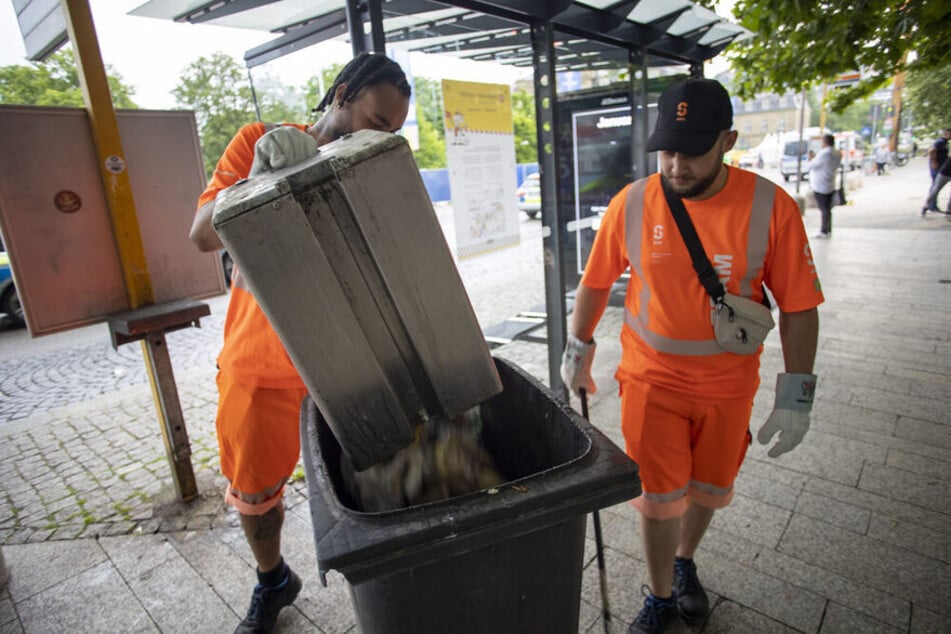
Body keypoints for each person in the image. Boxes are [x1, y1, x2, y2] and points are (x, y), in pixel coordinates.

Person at [560, 78, 822, 634]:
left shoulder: (770, 207)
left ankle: (685, 562)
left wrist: (797, 394)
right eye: (667, 150)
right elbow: (596, 280)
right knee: (658, 497)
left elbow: (800, 306)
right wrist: (578, 348)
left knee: (708, 487)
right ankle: (659, 596)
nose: (676, 165)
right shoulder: (633, 203)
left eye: (693, 151)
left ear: (727, 141)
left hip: (729, 387)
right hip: (651, 381)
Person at [189, 52, 411, 634]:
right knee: (255, 493)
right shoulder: (257, 140)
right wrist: (259, 178)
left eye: (392, 131)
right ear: (341, 95)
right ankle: (273, 579)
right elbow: (201, 235)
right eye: (376, 121)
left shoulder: (370, 169)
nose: (380, 137)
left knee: (370, 486)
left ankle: (387, 589)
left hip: (347, 365)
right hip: (259, 363)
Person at [807, 134, 842, 238]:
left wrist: (811, 159)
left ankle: (824, 230)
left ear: (825, 142)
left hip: (821, 185)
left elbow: (811, 166)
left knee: (824, 208)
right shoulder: (837, 153)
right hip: (830, 182)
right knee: (827, 209)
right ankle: (828, 229)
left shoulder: (825, 153)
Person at [922, 128, 951, 214]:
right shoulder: (940, 141)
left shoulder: (945, 142)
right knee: (935, 188)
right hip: (944, 171)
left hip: (944, 169)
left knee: (935, 188)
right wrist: (934, 162)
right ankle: (927, 206)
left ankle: (949, 209)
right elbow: (931, 150)